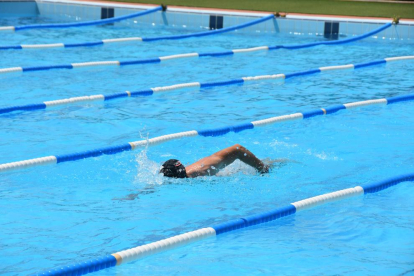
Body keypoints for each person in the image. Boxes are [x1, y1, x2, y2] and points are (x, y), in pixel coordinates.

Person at [160, 144, 270, 178]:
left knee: (272, 164)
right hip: (223, 173)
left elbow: (238, 149)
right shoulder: (185, 175)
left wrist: (262, 167)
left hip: (245, 167)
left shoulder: (204, 168)